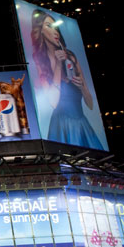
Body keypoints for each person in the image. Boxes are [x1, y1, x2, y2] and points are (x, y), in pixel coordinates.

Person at [30, 9, 103, 149]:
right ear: (41, 31)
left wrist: (81, 87)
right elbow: (53, 102)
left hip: (82, 125)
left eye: (56, 27)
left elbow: (90, 104)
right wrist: (58, 65)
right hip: (61, 127)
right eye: (49, 26)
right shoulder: (41, 61)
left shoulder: (71, 56)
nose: (55, 32)